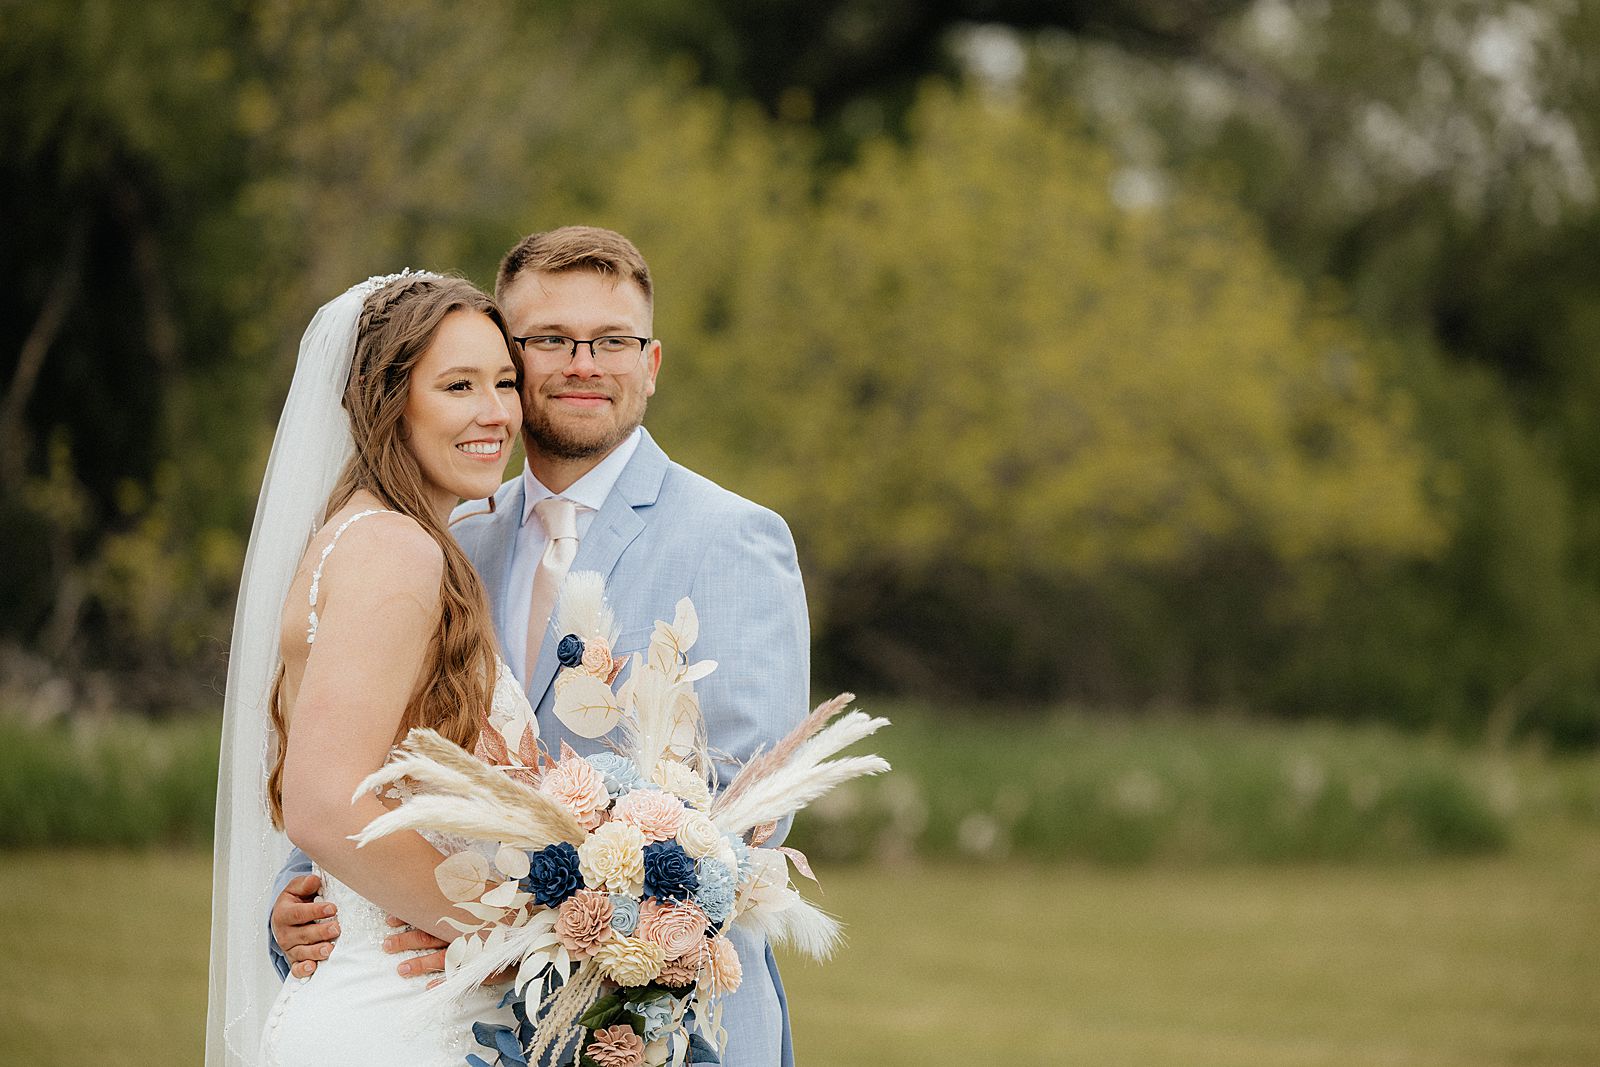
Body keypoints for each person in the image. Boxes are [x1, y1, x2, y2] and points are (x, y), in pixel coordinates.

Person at [268, 227, 811, 1065]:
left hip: (663, 1027)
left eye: (612, 341)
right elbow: (355, 765)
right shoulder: (448, 534)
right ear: (511, 358)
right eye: (550, 340)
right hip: (448, 1015)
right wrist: (302, 901)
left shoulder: (734, 538)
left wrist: (532, 939)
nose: (583, 362)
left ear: (653, 362)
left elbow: (745, 817)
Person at [205, 272, 530, 1066]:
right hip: (396, 1021)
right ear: (388, 401)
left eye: (505, 382)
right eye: (458, 385)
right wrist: (511, 938)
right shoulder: (394, 548)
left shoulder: (361, 534)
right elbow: (321, 804)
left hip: (399, 1005)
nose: (495, 412)